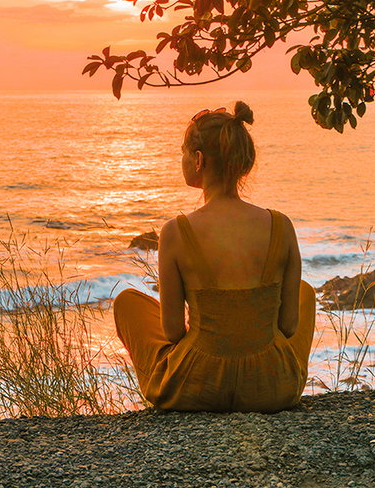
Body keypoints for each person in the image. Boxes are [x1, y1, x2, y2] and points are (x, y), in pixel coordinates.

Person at [113, 101, 316, 412]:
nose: (180, 160)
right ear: (244, 163)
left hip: (196, 387)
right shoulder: (280, 225)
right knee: (305, 293)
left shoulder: (176, 231)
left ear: (198, 159)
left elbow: (173, 331)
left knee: (128, 302)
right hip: (272, 387)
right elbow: (288, 326)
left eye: (182, 153)